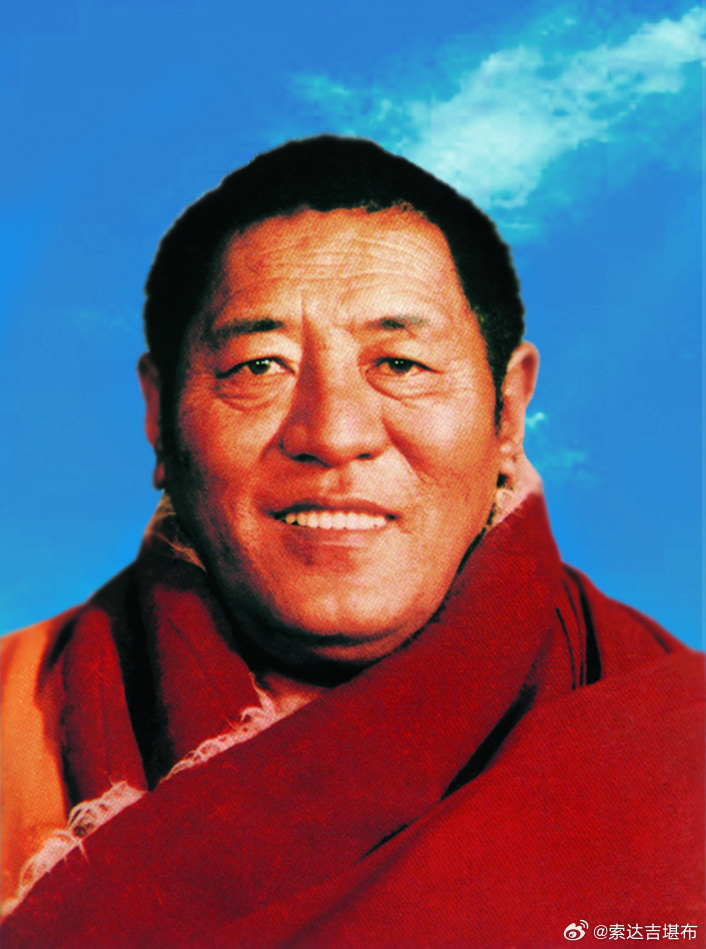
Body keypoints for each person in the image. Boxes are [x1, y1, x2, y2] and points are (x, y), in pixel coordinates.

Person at [1, 136, 703, 949]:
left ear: (508, 412)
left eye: (400, 363)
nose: (333, 433)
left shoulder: (677, 743)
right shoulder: (17, 721)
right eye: (259, 366)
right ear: (160, 416)